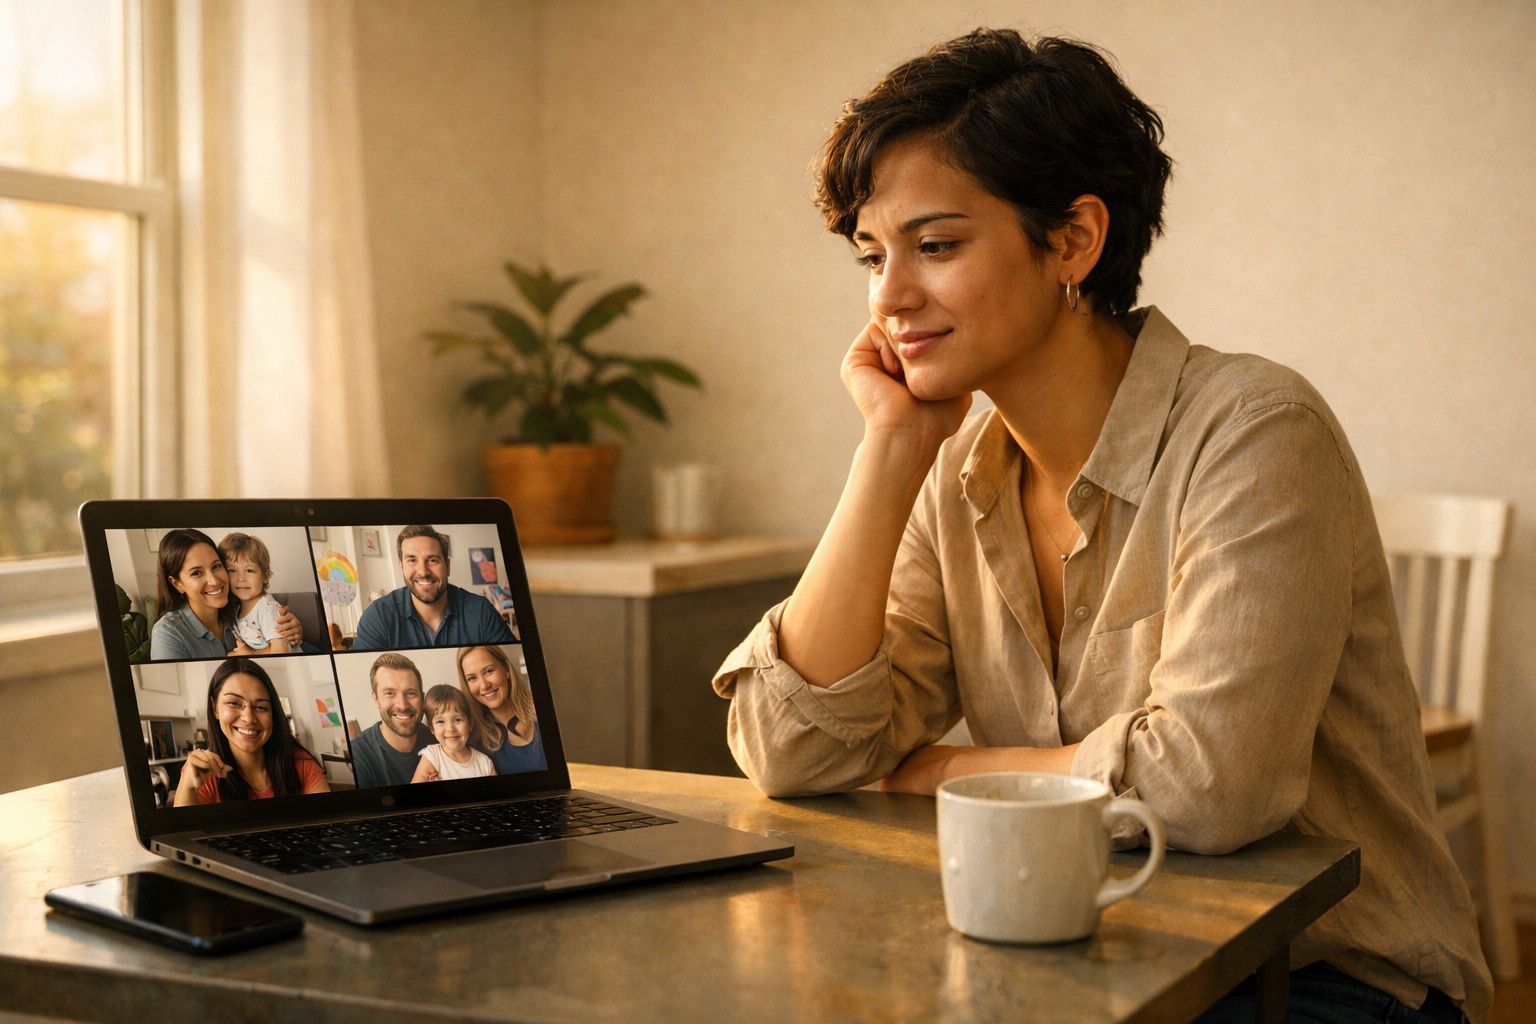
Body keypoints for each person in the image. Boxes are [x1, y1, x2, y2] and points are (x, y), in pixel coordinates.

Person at [711, 29, 1491, 1024]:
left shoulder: (1255, 429)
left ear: (1074, 239)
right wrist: (890, 450)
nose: (889, 298)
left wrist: (945, 771)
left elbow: (1208, 786)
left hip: (1317, 979)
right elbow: (790, 749)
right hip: (1089, 961)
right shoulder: (952, 466)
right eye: (873, 256)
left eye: (935, 246)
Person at [174, 657, 329, 805]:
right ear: (215, 708)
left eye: (261, 707)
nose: (249, 718)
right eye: (234, 703)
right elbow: (183, 831)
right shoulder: (202, 773)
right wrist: (187, 788)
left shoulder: (301, 764)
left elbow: (327, 824)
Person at [350, 526, 514, 650]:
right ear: (401, 567)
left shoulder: (480, 610)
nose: (423, 572)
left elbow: (508, 664)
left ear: (447, 566)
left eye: (433, 560)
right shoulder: (378, 616)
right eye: (412, 560)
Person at [150, 529, 303, 660]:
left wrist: (293, 630)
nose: (214, 581)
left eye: (216, 566)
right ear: (177, 583)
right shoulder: (167, 633)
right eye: (197, 573)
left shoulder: (238, 603)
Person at [348, 652, 436, 788]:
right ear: (376, 699)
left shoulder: (440, 739)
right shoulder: (358, 755)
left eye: (411, 693)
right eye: (389, 693)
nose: (402, 705)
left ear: (422, 698)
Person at [458, 645, 546, 774]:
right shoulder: (473, 740)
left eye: (489, 671)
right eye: (472, 678)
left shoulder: (546, 709)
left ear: (506, 670)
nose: (484, 686)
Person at [218, 532, 291, 654]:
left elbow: (281, 651)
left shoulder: (267, 608)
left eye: (249, 570)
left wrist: (250, 653)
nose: (241, 578)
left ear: (265, 576)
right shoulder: (237, 607)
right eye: (232, 571)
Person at [411, 685, 497, 782]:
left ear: (470, 724)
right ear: (432, 728)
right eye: (440, 722)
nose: (450, 729)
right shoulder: (432, 756)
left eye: (458, 720)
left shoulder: (484, 763)